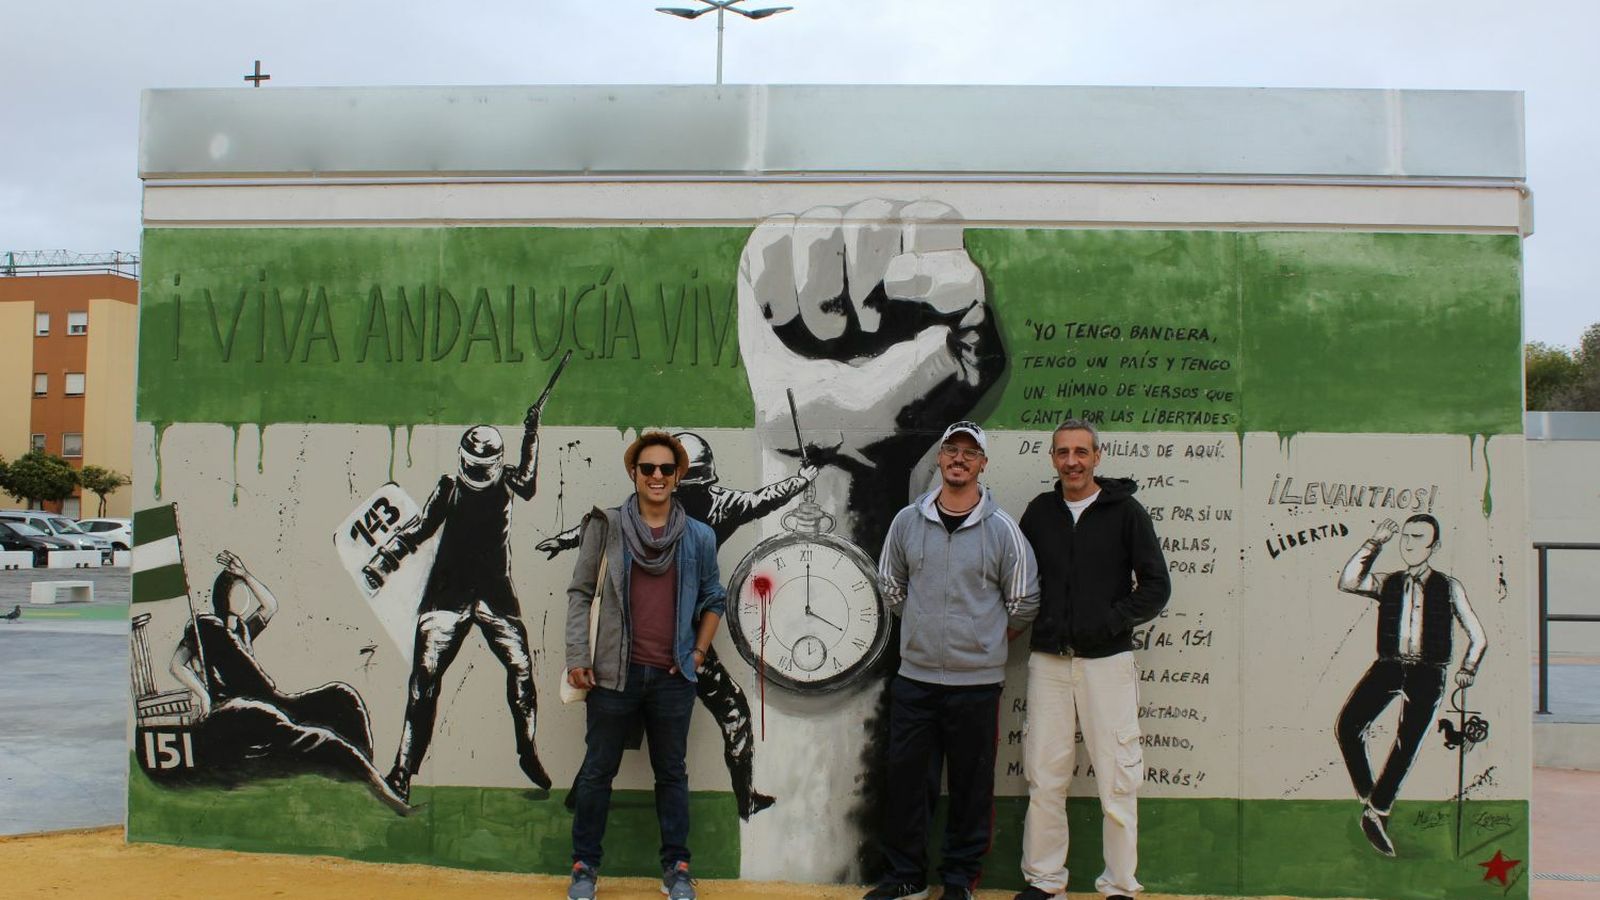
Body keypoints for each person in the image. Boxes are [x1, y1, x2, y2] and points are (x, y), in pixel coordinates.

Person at [537, 429, 820, 819]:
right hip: (641, 646)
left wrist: (799, 481)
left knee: (647, 733)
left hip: (682, 641)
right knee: (620, 735)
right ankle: (743, 799)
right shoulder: (702, 505)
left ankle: (744, 799)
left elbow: (761, 501)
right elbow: (603, 530)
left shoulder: (710, 511)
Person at [870, 420, 1039, 900]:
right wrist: (924, 628)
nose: (959, 458)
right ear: (940, 458)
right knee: (907, 784)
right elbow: (890, 586)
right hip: (915, 681)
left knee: (970, 788)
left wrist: (986, 640)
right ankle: (905, 878)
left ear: (983, 463)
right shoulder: (907, 521)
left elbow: (1025, 600)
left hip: (976, 685)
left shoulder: (1003, 530)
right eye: (951, 449)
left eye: (970, 451)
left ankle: (960, 881)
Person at [565, 431, 727, 900]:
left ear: (678, 477)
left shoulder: (699, 536)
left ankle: (676, 867)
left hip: (673, 678)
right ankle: (584, 868)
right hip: (614, 674)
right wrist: (578, 655)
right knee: (598, 771)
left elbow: (714, 597)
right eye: (648, 468)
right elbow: (579, 592)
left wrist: (695, 655)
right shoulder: (608, 526)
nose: (657, 476)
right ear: (634, 474)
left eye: (666, 469)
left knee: (672, 773)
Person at [361, 409, 551, 803]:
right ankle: (402, 771)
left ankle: (527, 750)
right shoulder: (450, 486)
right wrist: (384, 560)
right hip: (448, 595)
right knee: (424, 683)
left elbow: (529, 484)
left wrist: (532, 431)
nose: (474, 472)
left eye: (480, 466)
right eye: (470, 464)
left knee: (521, 671)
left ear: (494, 465)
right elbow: (421, 527)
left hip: (496, 594)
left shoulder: (508, 480)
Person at [1016, 419, 1170, 900]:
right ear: (1053, 458)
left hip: (1107, 663)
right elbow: (1020, 580)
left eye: (1081, 452)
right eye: (1063, 452)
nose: (1073, 461)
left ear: (1097, 456)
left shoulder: (1126, 512)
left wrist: (1109, 621)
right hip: (1049, 664)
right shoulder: (1040, 512)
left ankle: (1120, 885)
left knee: (1118, 778)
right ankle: (1044, 882)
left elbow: (1156, 587)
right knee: (1045, 776)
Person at [168, 551, 409, 815]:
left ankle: (364, 775)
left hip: (271, 700)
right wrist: (203, 695)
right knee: (322, 741)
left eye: (244, 589)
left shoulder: (241, 631)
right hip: (238, 709)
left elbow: (270, 606)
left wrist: (246, 574)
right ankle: (381, 793)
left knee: (341, 698)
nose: (244, 595)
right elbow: (176, 664)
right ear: (223, 597)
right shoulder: (206, 629)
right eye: (237, 589)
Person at [1335, 515, 1486, 856]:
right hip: (1389, 666)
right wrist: (1375, 543)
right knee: (1348, 726)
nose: (1408, 543)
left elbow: (1477, 636)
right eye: (1405, 537)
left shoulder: (1449, 587)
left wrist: (1468, 668)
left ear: (1434, 546)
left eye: (1418, 538)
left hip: (1428, 673)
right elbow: (1348, 581)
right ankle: (1371, 801)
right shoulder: (1389, 582)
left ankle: (1379, 813)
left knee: (1407, 744)